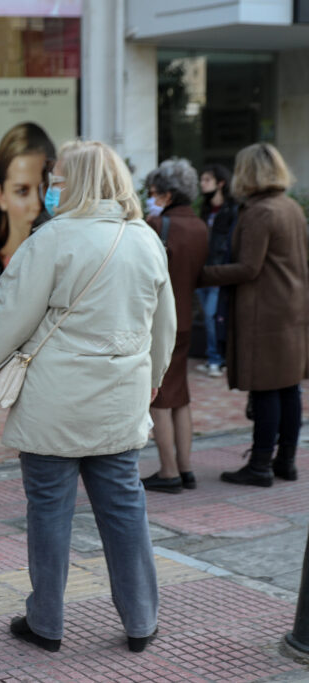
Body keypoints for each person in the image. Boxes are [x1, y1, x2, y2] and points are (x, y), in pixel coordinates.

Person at [0, 141, 176, 654]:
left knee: (49, 514)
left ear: (73, 183)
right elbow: (164, 327)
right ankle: (141, 619)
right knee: (125, 512)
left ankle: (47, 622)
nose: (51, 190)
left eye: (56, 181)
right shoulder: (146, 240)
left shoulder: (51, 240)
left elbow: (8, 320)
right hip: (120, 401)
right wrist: (153, 379)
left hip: (53, 403)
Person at [201, 143, 309, 487]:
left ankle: (261, 465)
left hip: (265, 314)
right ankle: (285, 462)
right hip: (290, 309)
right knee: (288, 388)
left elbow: (248, 268)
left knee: (265, 390)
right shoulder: (290, 206)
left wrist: (200, 274)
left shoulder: (261, 211)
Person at [141, 159, 209, 494]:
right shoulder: (199, 225)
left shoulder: (156, 224)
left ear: (167, 194)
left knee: (159, 397)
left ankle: (168, 472)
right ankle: (186, 468)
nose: (150, 198)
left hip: (159, 320)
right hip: (187, 316)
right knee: (180, 397)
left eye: (153, 192)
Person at [0, 122, 57, 269]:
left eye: (46, 187)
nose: (37, 205)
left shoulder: (65, 261)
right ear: (0, 196)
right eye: (22, 191)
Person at [195, 164, 239, 377]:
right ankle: (213, 356)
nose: (202, 184)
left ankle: (217, 358)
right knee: (207, 317)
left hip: (218, 271)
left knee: (213, 316)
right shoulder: (204, 209)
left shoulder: (231, 210)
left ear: (220, 183)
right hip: (202, 270)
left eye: (207, 180)